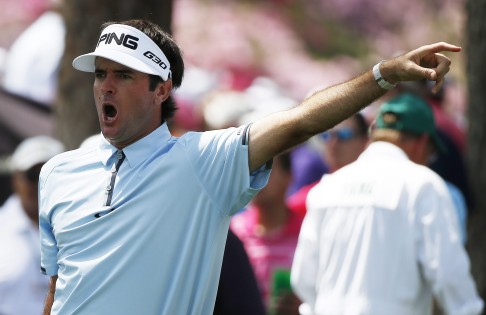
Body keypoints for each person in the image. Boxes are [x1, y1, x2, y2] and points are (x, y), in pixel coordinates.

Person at [38, 18, 461, 315]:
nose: (105, 86)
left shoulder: (203, 163)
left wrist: (384, 74)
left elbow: (300, 121)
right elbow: (58, 291)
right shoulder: (57, 173)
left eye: (124, 75)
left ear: (161, 89)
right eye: (100, 74)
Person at [290, 93, 483, 315]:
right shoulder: (424, 186)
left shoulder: (327, 188)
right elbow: (450, 277)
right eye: (430, 154)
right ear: (422, 143)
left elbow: (304, 279)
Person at [231, 152, 303, 314]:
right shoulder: (235, 232)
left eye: (266, 168)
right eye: (251, 169)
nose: (256, 177)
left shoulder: (307, 232)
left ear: (288, 176)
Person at [0, 135, 64, 315]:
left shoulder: (82, 229)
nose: (40, 185)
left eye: (49, 176)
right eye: (33, 175)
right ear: (15, 180)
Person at [287, 113, 369, 215]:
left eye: (344, 134)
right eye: (326, 135)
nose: (333, 143)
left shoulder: (375, 191)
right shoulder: (308, 199)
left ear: (366, 140)